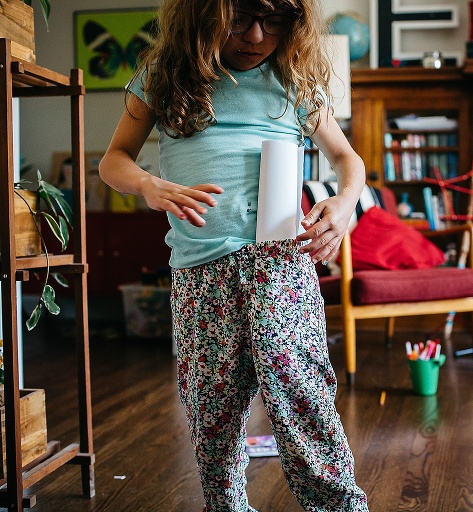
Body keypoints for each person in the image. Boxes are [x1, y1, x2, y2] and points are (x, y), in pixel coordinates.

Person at [99, 1, 369, 511]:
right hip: (200, 272)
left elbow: (346, 158)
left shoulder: (294, 78)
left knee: (301, 397)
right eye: (240, 19)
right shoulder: (163, 75)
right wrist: (149, 187)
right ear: (204, 14)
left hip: (280, 266)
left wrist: (345, 201)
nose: (256, 36)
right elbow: (114, 160)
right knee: (212, 409)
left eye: (275, 23)